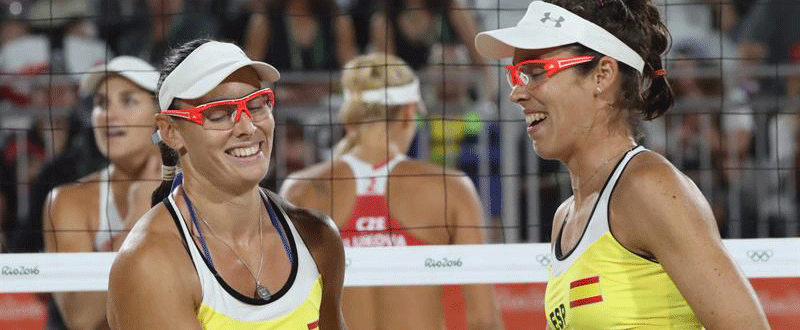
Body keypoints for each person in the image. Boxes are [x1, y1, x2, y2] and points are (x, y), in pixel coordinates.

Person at [474, 1, 770, 329]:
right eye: (515, 75)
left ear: (602, 75)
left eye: (536, 73)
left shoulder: (649, 186)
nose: (516, 93)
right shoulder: (566, 217)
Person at [107, 39, 347, 329]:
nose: (247, 127)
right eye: (219, 114)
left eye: (257, 106)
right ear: (170, 131)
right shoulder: (150, 263)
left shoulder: (317, 237)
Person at [280, 53, 502, 330]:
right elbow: (484, 320)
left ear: (351, 117)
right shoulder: (450, 189)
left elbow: (283, 312)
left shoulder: (301, 189)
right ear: (409, 112)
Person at [40, 56, 161, 330]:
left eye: (128, 100)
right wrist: (136, 223)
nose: (109, 114)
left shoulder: (192, 190)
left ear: (160, 116)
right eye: (101, 103)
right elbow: (81, 318)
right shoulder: (69, 201)